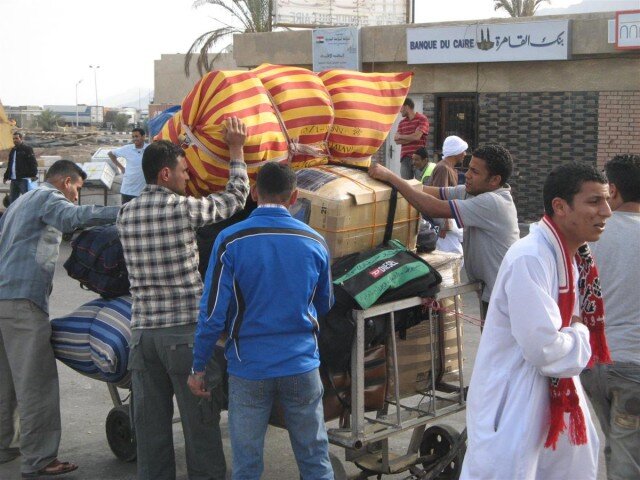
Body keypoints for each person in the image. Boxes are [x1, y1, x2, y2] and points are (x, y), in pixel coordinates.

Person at [116, 117, 250, 480]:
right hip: (184, 338)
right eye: (182, 172)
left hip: (142, 339)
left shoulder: (124, 215)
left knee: (151, 431)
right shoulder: (181, 210)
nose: (187, 178)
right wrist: (236, 149)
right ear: (164, 175)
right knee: (200, 427)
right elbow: (234, 199)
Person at [460, 162, 612, 480]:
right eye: (595, 201)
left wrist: (572, 331)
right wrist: (580, 331)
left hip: (552, 396)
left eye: (607, 200)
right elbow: (544, 349)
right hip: (514, 399)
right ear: (560, 206)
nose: (606, 211)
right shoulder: (531, 258)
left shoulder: (569, 256)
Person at [189, 162, 335, 480]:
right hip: (301, 364)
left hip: (248, 367)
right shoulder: (316, 242)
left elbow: (212, 314)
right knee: (314, 459)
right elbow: (324, 303)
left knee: (248, 464)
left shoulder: (230, 240)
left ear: (253, 193)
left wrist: (198, 366)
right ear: (295, 196)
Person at [0, 160, 119, 478]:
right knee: (35, 382)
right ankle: (39, 459)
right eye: (78, 189)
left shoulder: (21, 200)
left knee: (6, 380)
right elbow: (73, 218)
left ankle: (4, 446)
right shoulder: (48, 197)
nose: (77, 196)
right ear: (66, 182)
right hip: (24, 300)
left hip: (3, 297)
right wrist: (126, 212)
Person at [369, 143, 519, 321]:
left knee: (499, 346)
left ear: (495, 180)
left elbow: (432, 207)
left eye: (475, 172)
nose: (467, 176)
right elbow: (435, 193)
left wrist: (393, 178)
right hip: (493, 290)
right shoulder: (473, 192)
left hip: (506, 295)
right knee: (492, 344)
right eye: (469, 169)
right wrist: (388, 182)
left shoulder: (493, 202)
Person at [581, 154, 640, 480]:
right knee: (626, 458)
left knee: (616, 448)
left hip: (594, 364)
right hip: (633, 368)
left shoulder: (589, 236)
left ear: (613, 190)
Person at [428, 135, 468, 256]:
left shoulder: (448, 167)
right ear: (455, 152)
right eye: (462, 150)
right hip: (444, 223)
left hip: (448, 220)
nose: (465, 154)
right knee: (452, 255)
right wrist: (443, 225)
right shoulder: (443, 168)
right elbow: (439, 197)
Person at [108, 127, 148, 204]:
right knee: (125, 214)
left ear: (143, 137)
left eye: (137, 136)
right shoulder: (127, 149)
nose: (134, 139)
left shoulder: (149, 148)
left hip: (143, 191)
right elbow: (111, 154)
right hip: (128, 190)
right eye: (133, 137)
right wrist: (121, 168)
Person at [395, 98, 429, 180]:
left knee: (420, 184)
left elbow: (417, 137)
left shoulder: (422, 119)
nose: (400, 111)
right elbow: (397, 141)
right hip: (405, 158)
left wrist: (401, 136)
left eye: (401, 108)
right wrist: (413, 136)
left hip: (419, 158)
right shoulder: (402, 123)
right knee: (405, 186)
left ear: (406, 107)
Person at [3, 132, 37, 204]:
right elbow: (10, 164)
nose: (15, 140)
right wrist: (6, 176)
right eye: (13, 139)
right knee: (13, 201)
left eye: (16, 138)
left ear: (21, 139)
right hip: (14, 179)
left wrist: (33, 175)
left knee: (27, 200)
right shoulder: (13, 150)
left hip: (23, 179)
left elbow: (33, 162)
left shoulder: (27, 149)